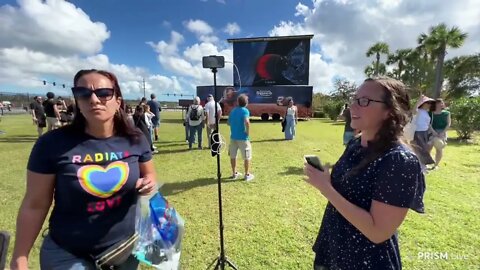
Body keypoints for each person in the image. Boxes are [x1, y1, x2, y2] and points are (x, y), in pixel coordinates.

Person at [10, 69, 157, 270]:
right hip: (69, 254)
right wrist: (20, 256)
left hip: (125, 250)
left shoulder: (136, 139)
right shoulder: (51, 144)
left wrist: (147, 183)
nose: (94, 99)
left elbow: (149, 175)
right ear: (77, 101)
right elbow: (35, 204)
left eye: (104, 93)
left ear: (118, 101)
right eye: (83, 93)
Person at [304, 77, 425, 270]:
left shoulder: (398, 160)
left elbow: (378, 232)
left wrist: (326, 188)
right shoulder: (356, 144)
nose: (353, 106)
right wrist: (326, 180)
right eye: (354, 99)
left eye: (364, 101)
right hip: (333, 249)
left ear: (389, 111)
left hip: (364, 260)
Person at [228, 94, 254, 181]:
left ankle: (234, 173)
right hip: (243, 138)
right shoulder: (245, 111)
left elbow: (228, 123)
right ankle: (247, 174)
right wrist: (247, 132)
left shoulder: (233, 111)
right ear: (246, 103)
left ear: (238, 102)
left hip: (233, 137)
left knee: (233, 155)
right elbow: (247, 122)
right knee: (247, 156)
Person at [412, 95, 436, 172]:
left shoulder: (426, 112)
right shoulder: (418, 111)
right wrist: (419, 101)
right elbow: (413, 111)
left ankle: (422, 166)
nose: (429, 104)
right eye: (428, 102)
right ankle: (422, 167)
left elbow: (428, 124)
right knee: (421, 149)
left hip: (425, 132)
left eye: (430, 103)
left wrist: (433, 132)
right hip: (418, 132)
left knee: (423, 148)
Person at [429, 98, 451, 169]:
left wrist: (443, 132)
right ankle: (426, 162)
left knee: (439, 148)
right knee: (428, 147)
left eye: (441, 103)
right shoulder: (430, 113)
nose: (440, 105)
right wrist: (433, 132)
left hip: (442, 132)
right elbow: (428, 123)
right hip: (432, 131)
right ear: (435, 104)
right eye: (438, 103)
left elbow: (448, 123)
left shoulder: (446, 113)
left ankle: (436, 165)